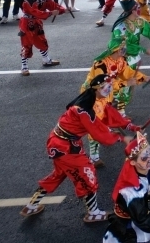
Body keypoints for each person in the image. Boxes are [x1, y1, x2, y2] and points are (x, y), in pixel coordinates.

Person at [20, 73, 137, 224]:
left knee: (59, 174)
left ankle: (31, 206)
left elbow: (110, 115)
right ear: (97, 88)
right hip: (66, 147)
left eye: (110, 86)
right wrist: (122, 138)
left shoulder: (91, 101)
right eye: (107, 87)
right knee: (87, 175)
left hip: (60, 143)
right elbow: (100, 134)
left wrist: (131, 126)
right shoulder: (85, 111)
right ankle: (93, 213)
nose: (110, 90)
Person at [19, 0, 65, 75]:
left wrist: (62, 10)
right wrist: (51, 13)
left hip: (37, 22)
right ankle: (24, 66)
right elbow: (36, 12)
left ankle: (46, 60)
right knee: (26, 44)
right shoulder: (28, 1)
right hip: (27, 23)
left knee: (42, 40)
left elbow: (53, 5)